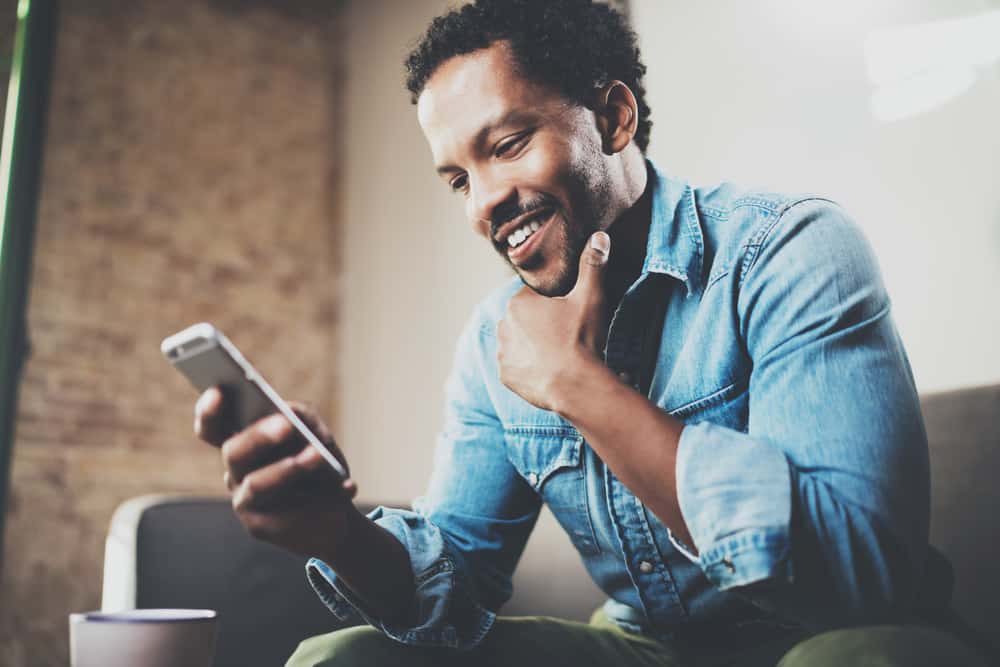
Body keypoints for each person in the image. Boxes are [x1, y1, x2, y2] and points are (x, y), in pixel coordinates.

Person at [194, 1, 988, 665]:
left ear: (613, 117)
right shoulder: (491, 343)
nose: (482, 205)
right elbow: (455, 583)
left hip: (835, 637)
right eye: (459, 179)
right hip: (651, 649)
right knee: (339, 658)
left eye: (507, 147)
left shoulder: (788, 249)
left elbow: (860, 580)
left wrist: (581, 388)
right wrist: (337, 532)